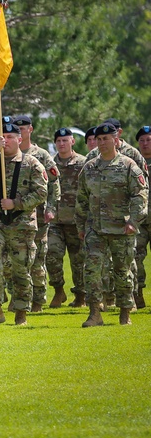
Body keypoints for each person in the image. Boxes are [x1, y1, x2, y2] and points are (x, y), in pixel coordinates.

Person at [75, 122, 147, 327]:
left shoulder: (128, 165)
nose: (102, 143)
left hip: (121, 228)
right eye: (99, 139)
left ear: (116, 140)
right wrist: (81, 226)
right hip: (95, 229)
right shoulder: (89, 167)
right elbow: (81, 199)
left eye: (106, 138)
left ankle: (125, 312)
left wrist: (134, 221)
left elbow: (140, 196)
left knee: (122, 272)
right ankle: (95, 313)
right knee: (92, 271)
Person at [0, 121, 47, 326]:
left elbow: (42, 193)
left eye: (10, 137)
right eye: (2, 137)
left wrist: (16, 203)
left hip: (21, 224)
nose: (5, 140)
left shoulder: (32, 163)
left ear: (19, 139)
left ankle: (21, 313)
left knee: (21, 269)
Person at [10, 115, 60, 312]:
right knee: (14, 260)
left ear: (30, 129)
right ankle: (18, 298)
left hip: (36, 215)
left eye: (23, 128)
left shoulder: (41, 155)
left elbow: (54, 183)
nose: (20, 131)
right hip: (13, 216)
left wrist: (51, 208)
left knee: (36, 258)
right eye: (17, 129)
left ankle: (38, 299)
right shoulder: (7, 155)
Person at [46, 127, 87, 308]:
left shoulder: (83, 163)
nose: (61, 144)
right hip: (55, 220)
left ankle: (80, 295)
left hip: (76, 220)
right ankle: (58, 290)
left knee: (79, 261)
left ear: (72, 141)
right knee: (52, 255)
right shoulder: (50, 164)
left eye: (65, 140)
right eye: (59, 141)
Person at [134, 124, 151, 309]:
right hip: (139, 220)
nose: (145, 144)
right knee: (135, 258)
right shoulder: (134, 163)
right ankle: (137, 294)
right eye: (142, 140)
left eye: (149, 140)